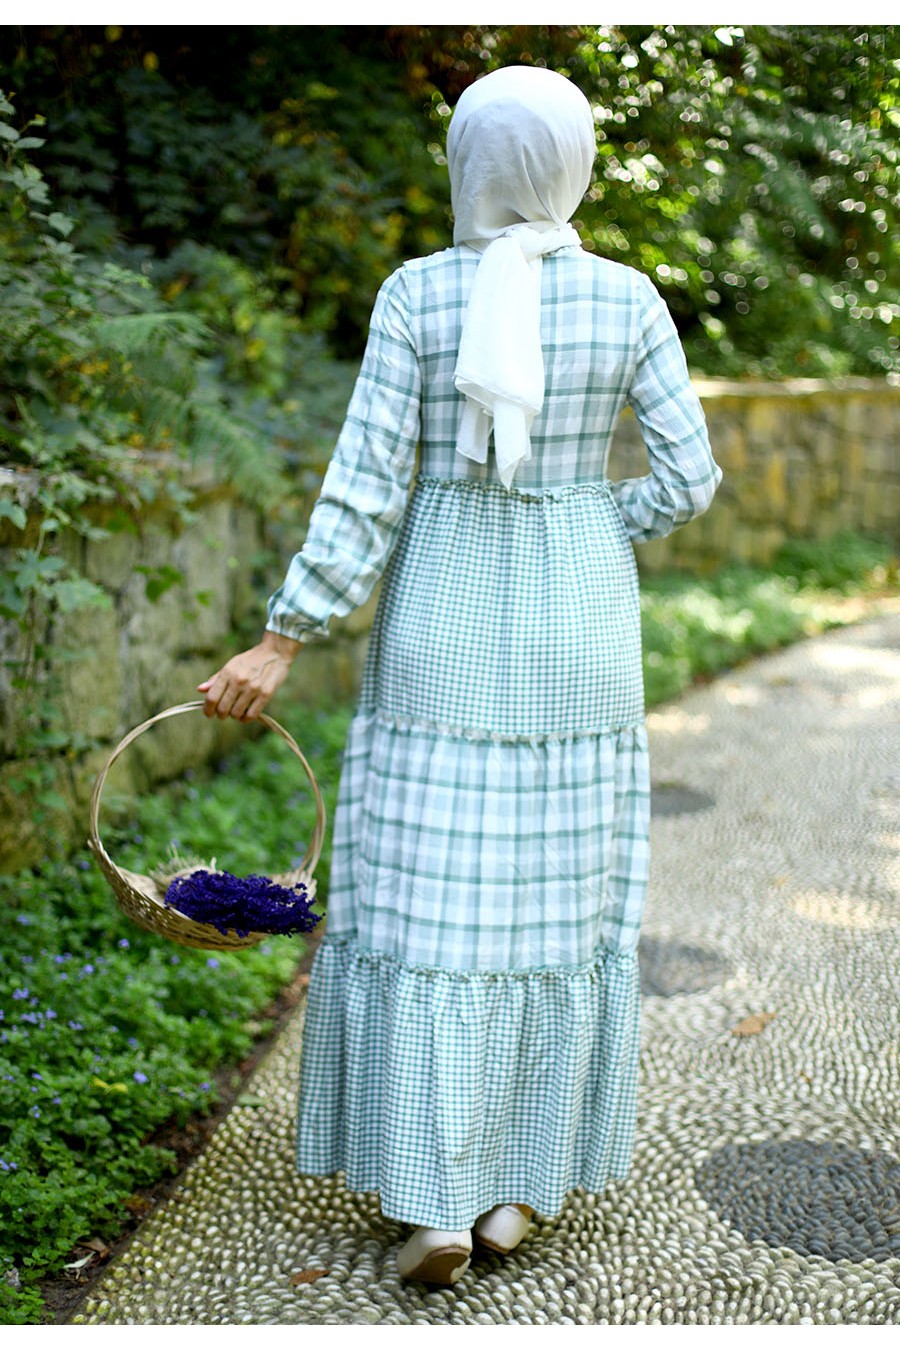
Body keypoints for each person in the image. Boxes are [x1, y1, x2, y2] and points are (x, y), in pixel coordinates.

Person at [199, 65, 722, 1287]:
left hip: (443, 629)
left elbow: (368, 487)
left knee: (433, 914)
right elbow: (690, 480)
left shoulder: (418, 298)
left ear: (468, 163)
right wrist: (592, 516)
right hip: (580, 637)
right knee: (554, 914)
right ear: (573, 162)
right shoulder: (628, 298)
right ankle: (513, 1197)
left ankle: (430, 1207)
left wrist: (286, 632)